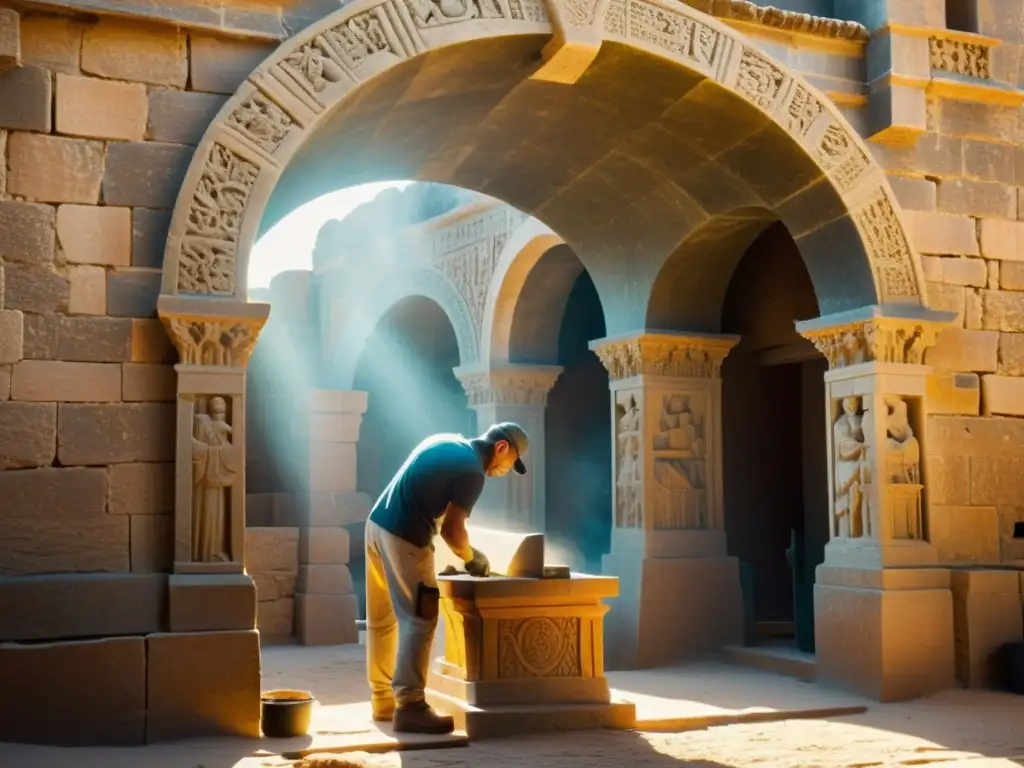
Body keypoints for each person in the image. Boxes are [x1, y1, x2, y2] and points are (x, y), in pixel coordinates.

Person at [364, 421, 530, 733]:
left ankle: (383, 699)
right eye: (510, 464)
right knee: (420, 618)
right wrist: (471, 557)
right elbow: (452, 530)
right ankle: (410, 706)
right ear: (501, 448)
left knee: (383, 620)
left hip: (376, 527)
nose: (506, 470)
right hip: (404, 536)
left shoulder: (445, 438)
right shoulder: (472, 472)